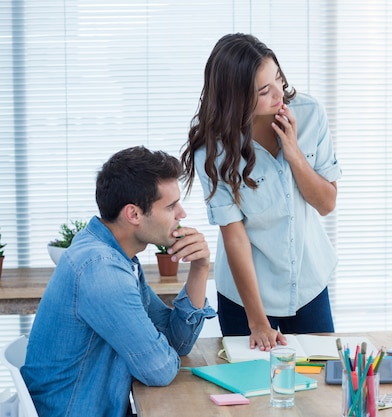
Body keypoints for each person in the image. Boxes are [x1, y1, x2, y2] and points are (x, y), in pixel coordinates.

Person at [22, 146, 216, 417]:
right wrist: (155, 349)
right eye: (171, 206)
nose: (181, 214)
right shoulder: (101, 270)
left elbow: (176, 344)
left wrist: (200, 268)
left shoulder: (118, 258)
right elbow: (159, 370)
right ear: (134, 214)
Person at [181, 33, 341, 351]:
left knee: (321, 384)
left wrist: (293, 152)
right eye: (264, 90)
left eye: (278, 79)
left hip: (308, 283)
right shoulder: (213, 153)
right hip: (245, 298)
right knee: (252, 390)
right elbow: (235, 236)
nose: (279, 94)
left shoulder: (309, 114)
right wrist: (257, 321)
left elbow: (326, 203)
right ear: (236, 98)